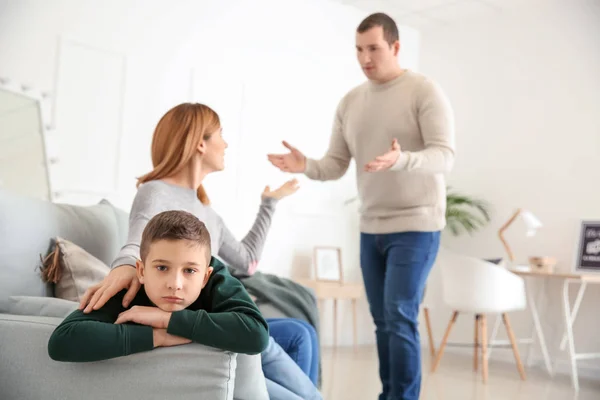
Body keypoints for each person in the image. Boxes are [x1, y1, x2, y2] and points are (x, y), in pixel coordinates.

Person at [268, 12, 455, 400]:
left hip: (417, 225)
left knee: (400, 316)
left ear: (395, 47)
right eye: (358, 49)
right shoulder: (351, 102)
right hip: (371, 227)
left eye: (373, 48)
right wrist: (306, 166)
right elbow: (335, 165)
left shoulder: (424, 91)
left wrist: (402, 160)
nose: (365, 58)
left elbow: (444, 156)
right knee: (383, 321)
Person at [78, 102, 321, 400]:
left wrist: (268, 204)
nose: (227, 143)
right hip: (196, 319)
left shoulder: (207, 211)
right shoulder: (155, 191)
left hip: (217, 311)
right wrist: (123, 266)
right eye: (220, 134)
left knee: (301, 333)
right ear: (200, 144)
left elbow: (247, 263)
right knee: (290, 337)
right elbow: (136, 242)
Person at [48, 210, 269, 361]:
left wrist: (165, 319)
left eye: (189, 271)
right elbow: (63, 340)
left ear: (204, 276)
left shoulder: (215, 277)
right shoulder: (128, 290)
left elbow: (257, 334)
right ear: (142, 271)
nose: (175, 284)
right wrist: (157, 337)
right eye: (162, 268)